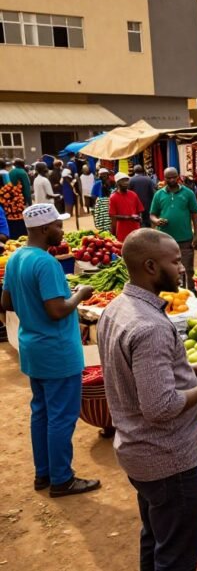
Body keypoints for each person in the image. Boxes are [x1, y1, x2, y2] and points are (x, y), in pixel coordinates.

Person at [98, 229, 197, 571]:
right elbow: (160, 407)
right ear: (151, 266)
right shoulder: (150, 326)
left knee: (155, 538)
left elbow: (134, 373)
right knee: (177, 557)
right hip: (169, 459)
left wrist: (190, 369)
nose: (182, 267)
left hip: (140, 453)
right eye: (175, 261)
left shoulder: (117, 308)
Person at [1, 203, 100, 497]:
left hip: (32, 348)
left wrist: (29, 303)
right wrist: (79, 294)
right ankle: (62, 478)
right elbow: (58, 310)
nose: (61, 230)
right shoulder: (46, 263)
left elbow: (6, 303)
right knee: (61, 416)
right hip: (57, 351)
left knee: (41, 413)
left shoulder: (17, 257)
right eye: (57, 225)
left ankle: (43, 474)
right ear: (44, 229)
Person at [150, 167, 197, 292]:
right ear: (164, 178)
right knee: (166, 267)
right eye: (169, 178)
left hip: (185, 238)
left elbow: (195, 215)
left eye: (174, 177)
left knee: (188, 267)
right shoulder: (159, 194)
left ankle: (190, 291)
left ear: (178, 177)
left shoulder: (188, 193)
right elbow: (152, 214)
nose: (172, 180)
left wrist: (196, 235)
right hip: (164, 240)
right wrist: (157, 221)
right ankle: (171, 291)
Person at [108, 172, 145, 243]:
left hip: (135, 229)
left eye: (127, 180)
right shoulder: (113, 197)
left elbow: (140, 210)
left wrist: (140, 218)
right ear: (117, 183)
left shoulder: (133, 194)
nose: (126, 183)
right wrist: (128, 217)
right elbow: (112, 215)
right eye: (123, 181)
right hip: (122, 231)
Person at [128, 164, 158, 229]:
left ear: (134, 171)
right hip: (148, 203)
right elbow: (154, 190)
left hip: (135, 204)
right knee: (147, 222)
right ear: (142, 170)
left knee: (137, 221)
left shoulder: (131, 180)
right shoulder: (148, 179)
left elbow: (128, 193)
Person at [91, 168, 114, 234]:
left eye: (105, 175)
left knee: (110, 223)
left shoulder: (112, 183)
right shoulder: (97, 184)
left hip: (111, 205)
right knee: (102, 224)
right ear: (99, 176)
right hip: (101, 206)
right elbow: (93, 196)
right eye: (101, 175)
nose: (103, 177)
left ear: (107, 175)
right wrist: (96, 206)